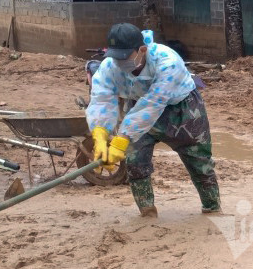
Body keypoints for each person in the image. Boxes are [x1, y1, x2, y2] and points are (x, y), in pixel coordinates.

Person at [85, 23, 220, 216]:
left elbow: (153, 103)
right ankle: (147, 214)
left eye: (124, 57)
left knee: (199, 161)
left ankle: (212, 208)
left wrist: (122, 139)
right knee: (135, 162)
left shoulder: (167, 61)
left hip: (182, 109)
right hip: (137, 109)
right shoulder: (109, 67)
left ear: (142, 50)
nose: (119, 63)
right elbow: (101, 99)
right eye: (116, 57)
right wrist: (100, 135)